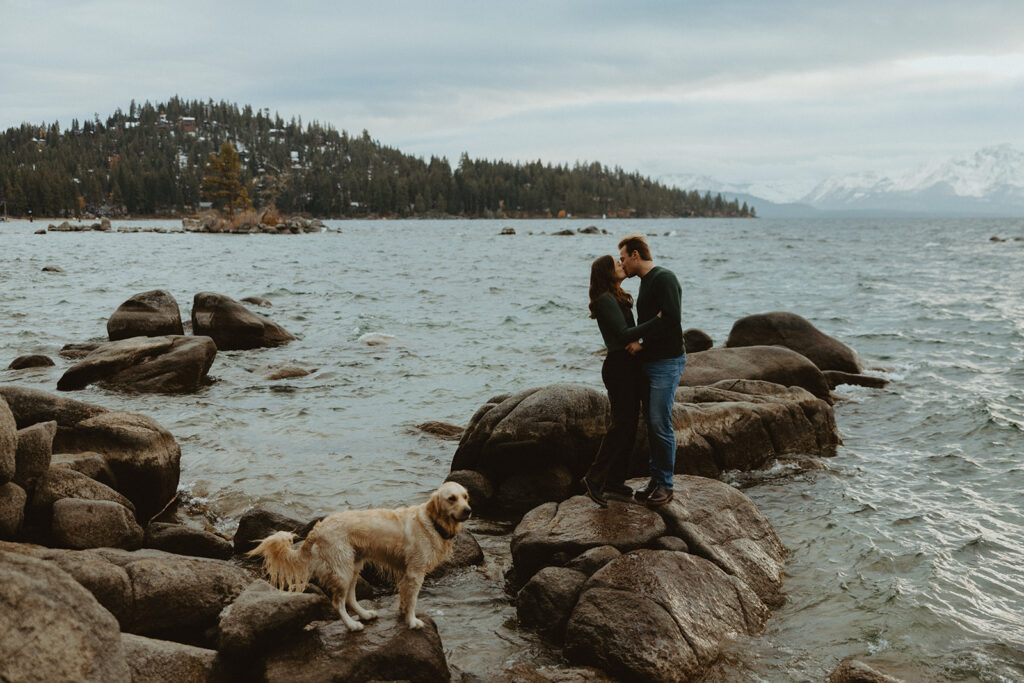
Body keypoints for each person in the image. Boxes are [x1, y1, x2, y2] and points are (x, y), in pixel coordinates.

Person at [618, 234, 685, 507]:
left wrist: (640, 341)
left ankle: (666, 486)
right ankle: (655, 479)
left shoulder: (664, 278)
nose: (622, 265)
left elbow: (672, 319)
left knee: (660, 422)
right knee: (651, 423)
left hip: (667, 362)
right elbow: (657, 319)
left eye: (623, 259)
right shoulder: (647, 282)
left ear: (636, 255)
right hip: (651, 361)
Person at [580, 255, 645, 507]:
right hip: (619, 366)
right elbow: (624, 333)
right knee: (622, 424)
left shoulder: (614, 296)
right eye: (616, 264)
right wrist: (658, 322)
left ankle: (615, 480)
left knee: (628, 425)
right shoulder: (605, 299)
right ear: (607, 272)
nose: (621, 265)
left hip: (627, 366)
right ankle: (594, 478)